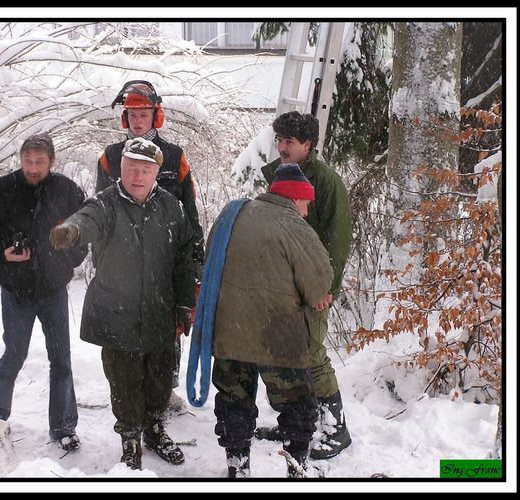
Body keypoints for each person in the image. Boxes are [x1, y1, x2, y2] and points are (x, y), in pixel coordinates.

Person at [50, 137, 195, 471]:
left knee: (159, 380)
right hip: (118, 314)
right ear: (122, 170)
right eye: (132, 168)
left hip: (161, 311)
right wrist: (71, 232)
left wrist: (185, 305)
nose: (138, 176)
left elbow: (185, 258)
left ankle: (155, 430)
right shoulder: (106, 203)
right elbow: (86, 220)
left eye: (146, 170)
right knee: (124, 380)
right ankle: (130, 438)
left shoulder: (172, 207)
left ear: (157, 173)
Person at [204, 164, 333, 477]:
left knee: (234, 402)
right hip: (279, 336)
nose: (305, 212)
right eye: (305, 204)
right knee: (297, 407)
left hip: (229, 335)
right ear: (294, 198)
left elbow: (209, 259)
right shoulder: (294, 225)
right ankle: (297, 468)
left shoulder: (231, 215)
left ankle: (238, 467)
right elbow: (319, 283)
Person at [0, 133, 88, 453]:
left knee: (61, 358)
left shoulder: (67, 191)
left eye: (40, 162)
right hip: (16, 289)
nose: (33, 168)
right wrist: (1, 253)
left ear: (52, 161)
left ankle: (64, 427)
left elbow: (86, 232)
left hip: (52, 290)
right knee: (14, 355)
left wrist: (66, 260)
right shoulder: (0, 190)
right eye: (28, 161)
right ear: (20, 159)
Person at [96, 80, 205, 410]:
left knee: (169, 330)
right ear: (124, 119)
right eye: (132, 114)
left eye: (144, 114)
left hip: (167, 259)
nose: (137, 120)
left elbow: (190, 214)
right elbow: (99, 213)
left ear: (156, 116)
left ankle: (162, 391)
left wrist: (195, 262)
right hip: (124, 262)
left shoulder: (175, 157)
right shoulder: (110, 158)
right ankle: (131, 392)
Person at [255, 111, 353, 460]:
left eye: (289, 142)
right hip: (282, 284)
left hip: (313, 288)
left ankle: (337, 428)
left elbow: (337, 241)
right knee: (284, 354)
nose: (281, 147)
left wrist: (326, 289)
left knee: (310, 354)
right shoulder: (278, 177)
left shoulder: (325, 183)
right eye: (279, 140)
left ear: (307, 146)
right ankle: (297, 420)